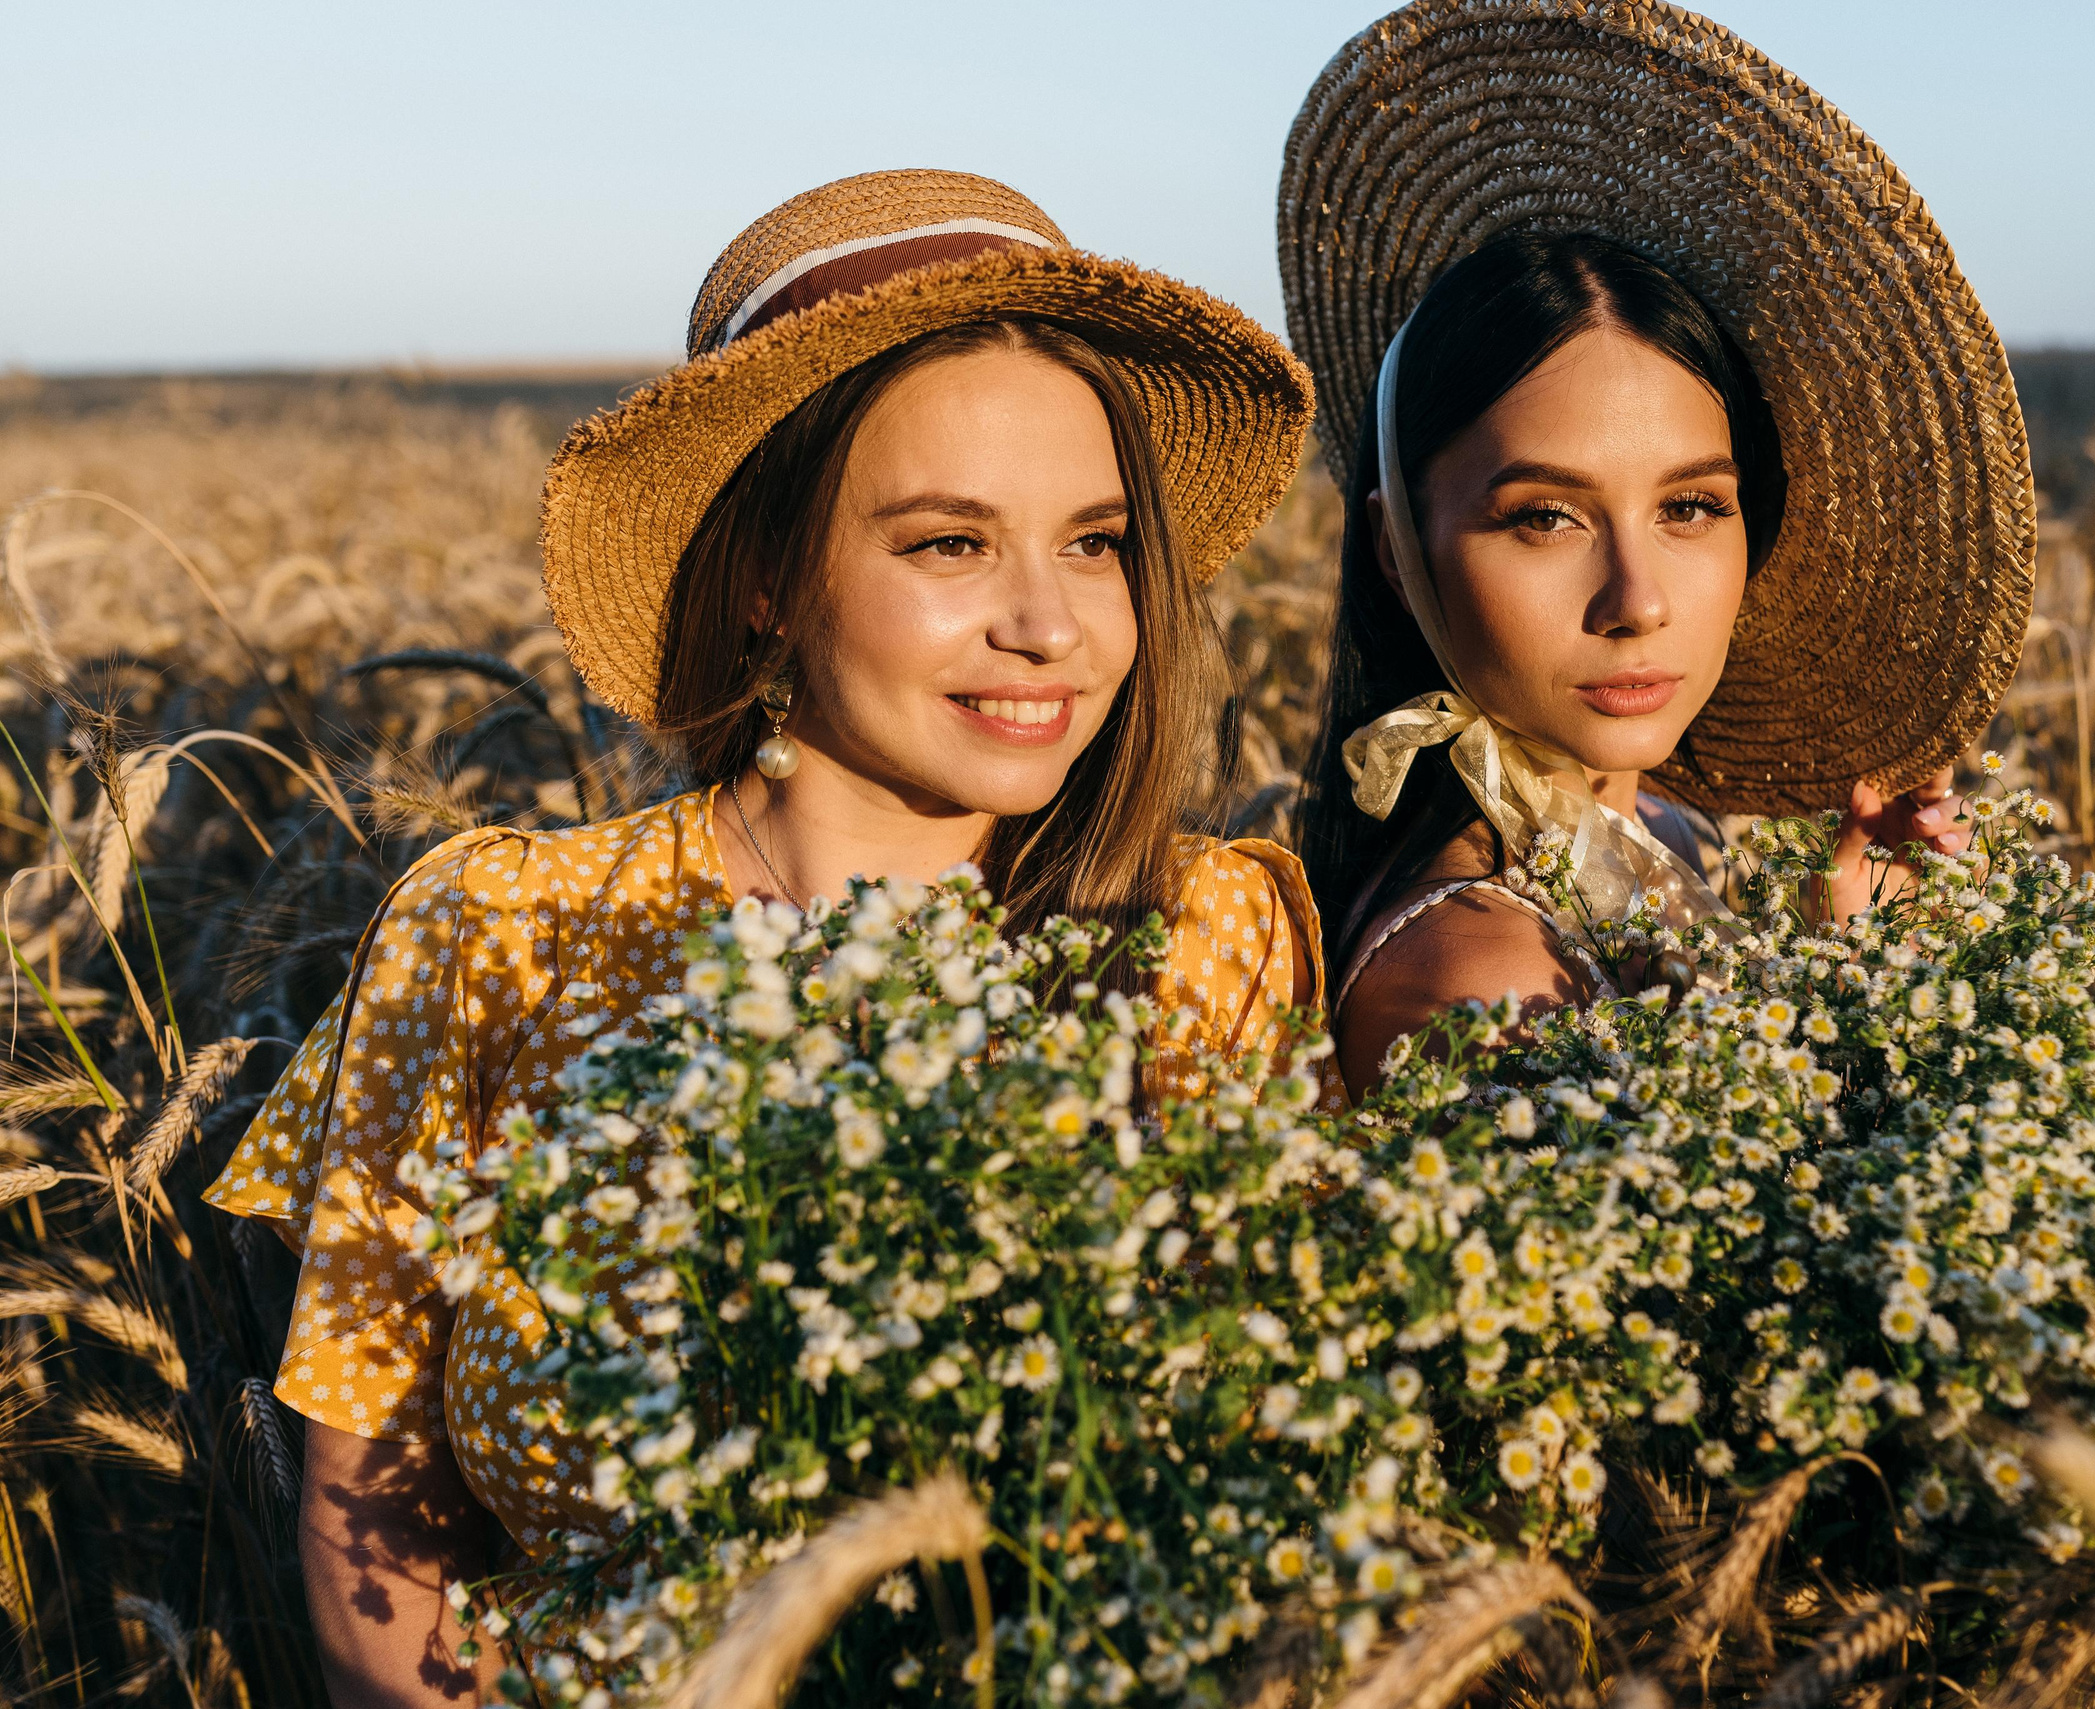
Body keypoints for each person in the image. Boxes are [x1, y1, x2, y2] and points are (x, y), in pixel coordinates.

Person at [204, 170, 1318, 1707]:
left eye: (1096, 541)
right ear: (768, 582)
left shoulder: (1211, 938)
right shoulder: (501, 933)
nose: (1052, 627)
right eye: (948, 546)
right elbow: (371, 1528)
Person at [1282, 0, 2040, 1096]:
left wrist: (1867, 961)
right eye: (1543, 517)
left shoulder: (1659, 854)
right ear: (1398, 556)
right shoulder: (1479, 981)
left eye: (1689, 508)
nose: (1636, 600)